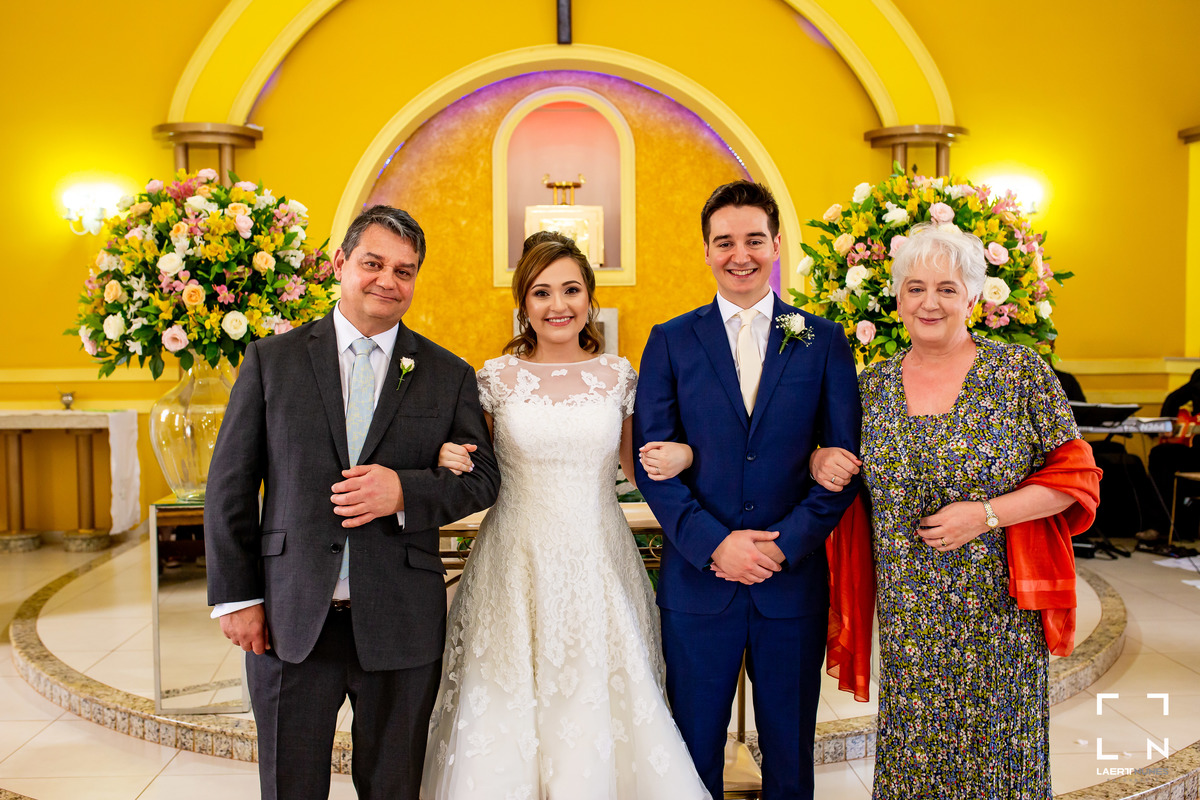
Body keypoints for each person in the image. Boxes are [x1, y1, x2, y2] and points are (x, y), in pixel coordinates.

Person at [205, 205, 501, 800]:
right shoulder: (271, 361)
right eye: (373, 264)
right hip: (290, 617)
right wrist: (237, 598)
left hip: (401, 618)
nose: (388, 281)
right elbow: (230, 487)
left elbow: (483, 479)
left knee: (394, 788)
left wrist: (404, 490)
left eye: (404, 271)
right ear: (341, 263)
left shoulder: (447, 373)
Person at [810, 222, 1101, 799]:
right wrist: (821, 458)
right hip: (909, 615)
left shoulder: (1018, 374)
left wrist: (986, 514)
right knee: (914, 760)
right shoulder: (871, 387)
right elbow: (837, 463)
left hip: (997, 611)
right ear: (897, 300)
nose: (930, 302)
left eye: (947, 288)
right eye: (915, 288)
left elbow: (1077, 479)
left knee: (998, 761)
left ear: (972, 298)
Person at [421, 234, 710, 799]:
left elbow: (642, 467)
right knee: (505, 705)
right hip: (515, 564)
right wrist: (446, 454)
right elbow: (475, 465)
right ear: (523, 303)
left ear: (590, 298)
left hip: (597, 562)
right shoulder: (494, 379)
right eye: (542, 292)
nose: (558, 305)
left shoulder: (619, 376)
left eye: (571, 290)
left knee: (597, 698)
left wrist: (687, 454)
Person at [632, 180, 861, 800]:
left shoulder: (822, 339)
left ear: (777, 244)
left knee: (790, 752)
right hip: (698, 584)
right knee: (692, 750)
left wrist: (783, 545)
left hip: (791, 582)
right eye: (725, 242)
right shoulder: (671, 340)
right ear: (706, 250)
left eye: (755, 240)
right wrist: (715, 545)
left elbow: (843, 464)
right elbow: (652, 463)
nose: (741, 255)